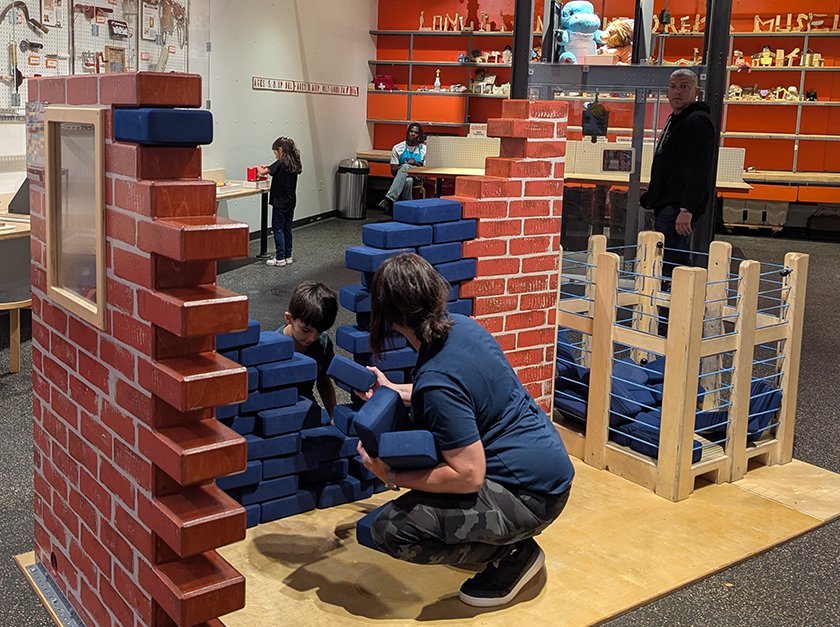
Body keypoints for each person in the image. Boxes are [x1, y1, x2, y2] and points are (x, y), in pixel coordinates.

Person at [356, 253, 575, 608]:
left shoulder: (436, 381)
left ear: (392, 318)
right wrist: (394, 391)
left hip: (530, 495)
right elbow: (457, 392)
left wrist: (392, 474)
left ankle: (512, 556)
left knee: (392, 531)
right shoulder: (462, 327)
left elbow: (468, 475)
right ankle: (500, 540)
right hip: (548, 471)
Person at [641, 68, 716, 277]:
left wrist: (687, 209)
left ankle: (675, 306)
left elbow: (699, 169)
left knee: (672, 261)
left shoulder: (696, 121)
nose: (678, 92)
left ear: (696, 91)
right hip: (668, 203)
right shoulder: (677, 118)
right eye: (673, 87)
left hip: (677, 207)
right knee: (666, 257)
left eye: (684, 87)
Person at [279, 281, 338, 417]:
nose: (311, 338)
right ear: (289, 318)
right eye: (305, 330)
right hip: (277, 411)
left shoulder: (323, 342)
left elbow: (323, 383)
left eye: (318, 332)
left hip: (307, 408)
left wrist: (333, 417)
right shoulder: (273, 347)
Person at [257, 136, 302, 267]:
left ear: (280, 150)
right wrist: (268, 166)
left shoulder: (280, 163)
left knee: (278, 229)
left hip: (279, 203)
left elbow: (263, 172)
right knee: (287, 228)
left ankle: (280, 258)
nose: (275, 155)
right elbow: (273, 168)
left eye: (275, 152)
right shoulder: (293, 163)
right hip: (290, 201)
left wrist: (258, 167)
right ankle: (288, 256)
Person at [378, 122, 426, 213]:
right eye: (411, 131)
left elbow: (426, 170)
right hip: (402, 177)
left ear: (419, 136)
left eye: (416, 132)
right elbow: (393, 171)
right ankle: (408, 211)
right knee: (408, 180)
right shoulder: (397, 148)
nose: (413, 134)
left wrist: (415, 163)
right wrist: (404, 167)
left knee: (406, 167)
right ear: (407, 133)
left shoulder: (424, 149)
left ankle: (389, 199)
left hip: (418, 176)